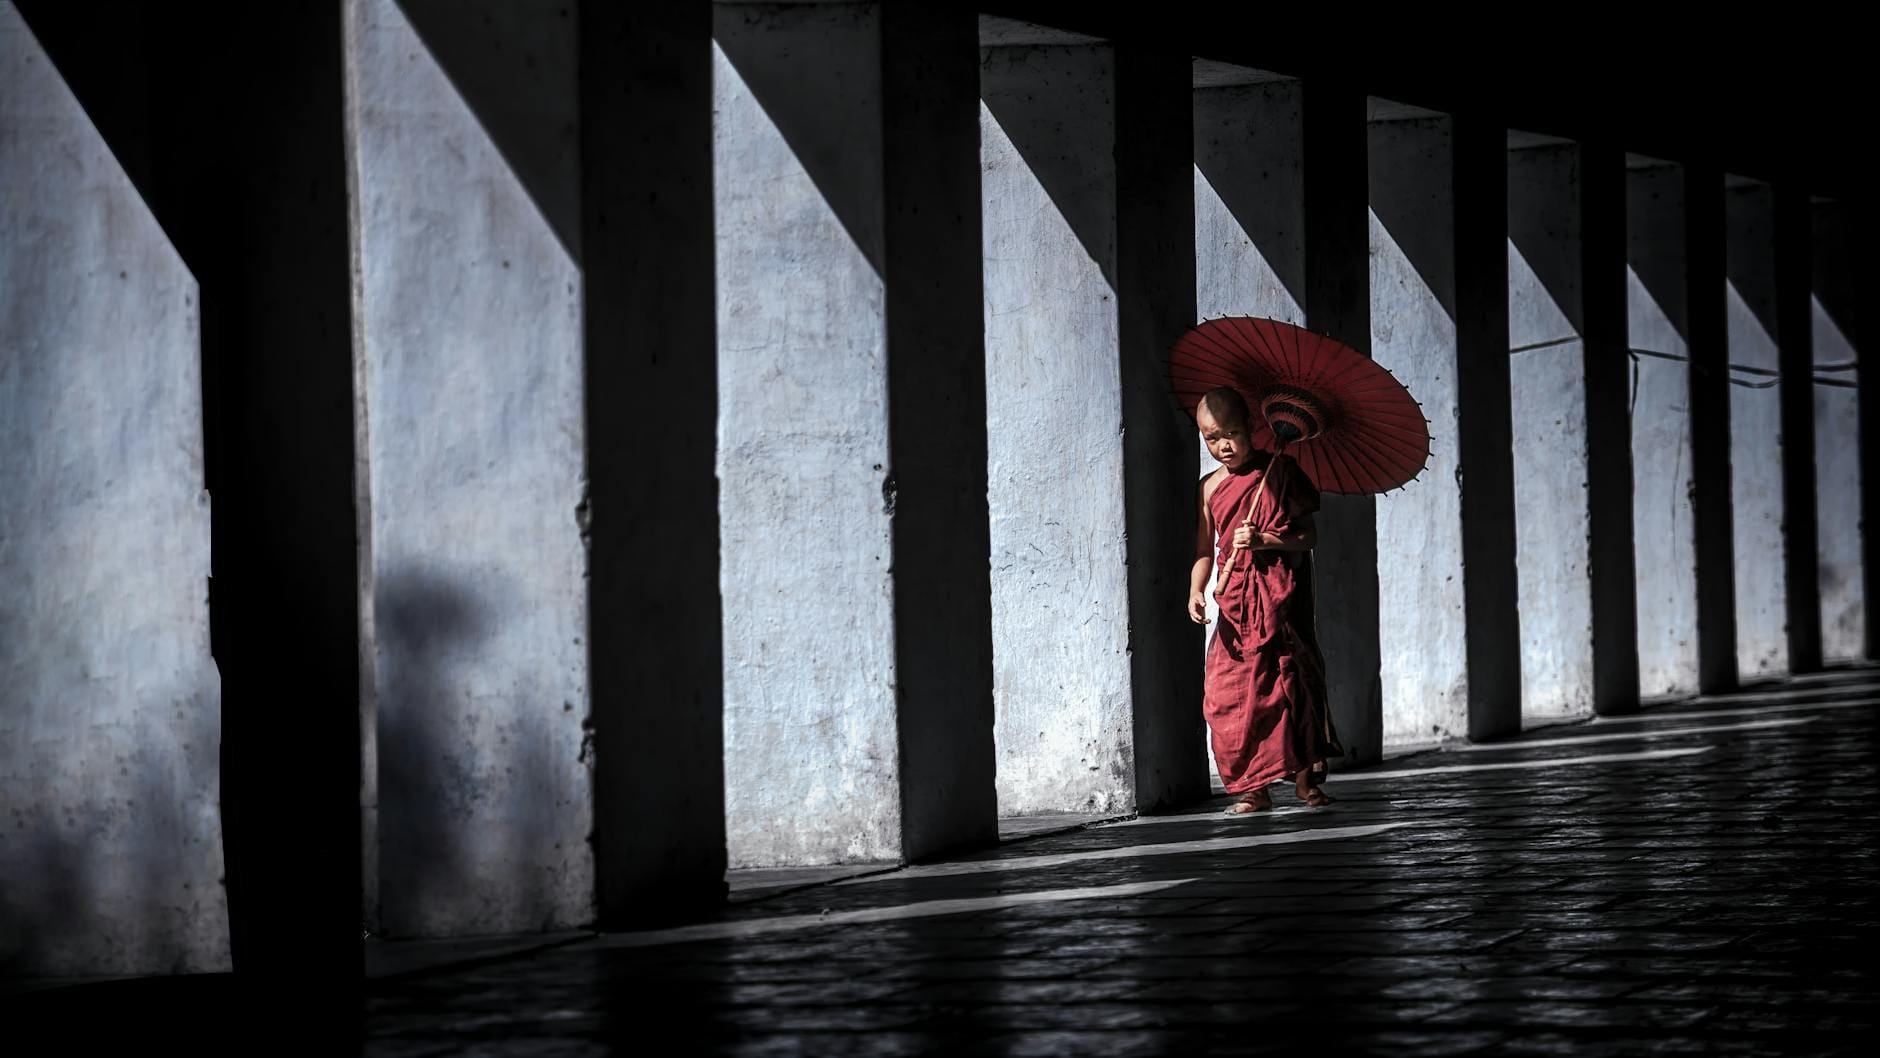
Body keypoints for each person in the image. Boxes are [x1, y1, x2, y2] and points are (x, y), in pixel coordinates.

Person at [1188, 386, 1343, 813]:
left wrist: (1264, 540)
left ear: (1253, 428)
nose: (1222, 446)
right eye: (1211, 437)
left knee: (1289, 685)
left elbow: (1307, 537)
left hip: (1278, 602)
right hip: (1235, 608)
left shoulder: (1281, 472)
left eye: (1231, 434)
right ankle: (1253, 788)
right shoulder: (1208, 488)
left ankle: (1305, 781)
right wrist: (1195, 590)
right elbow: (1204, 549)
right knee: (1229, 696)